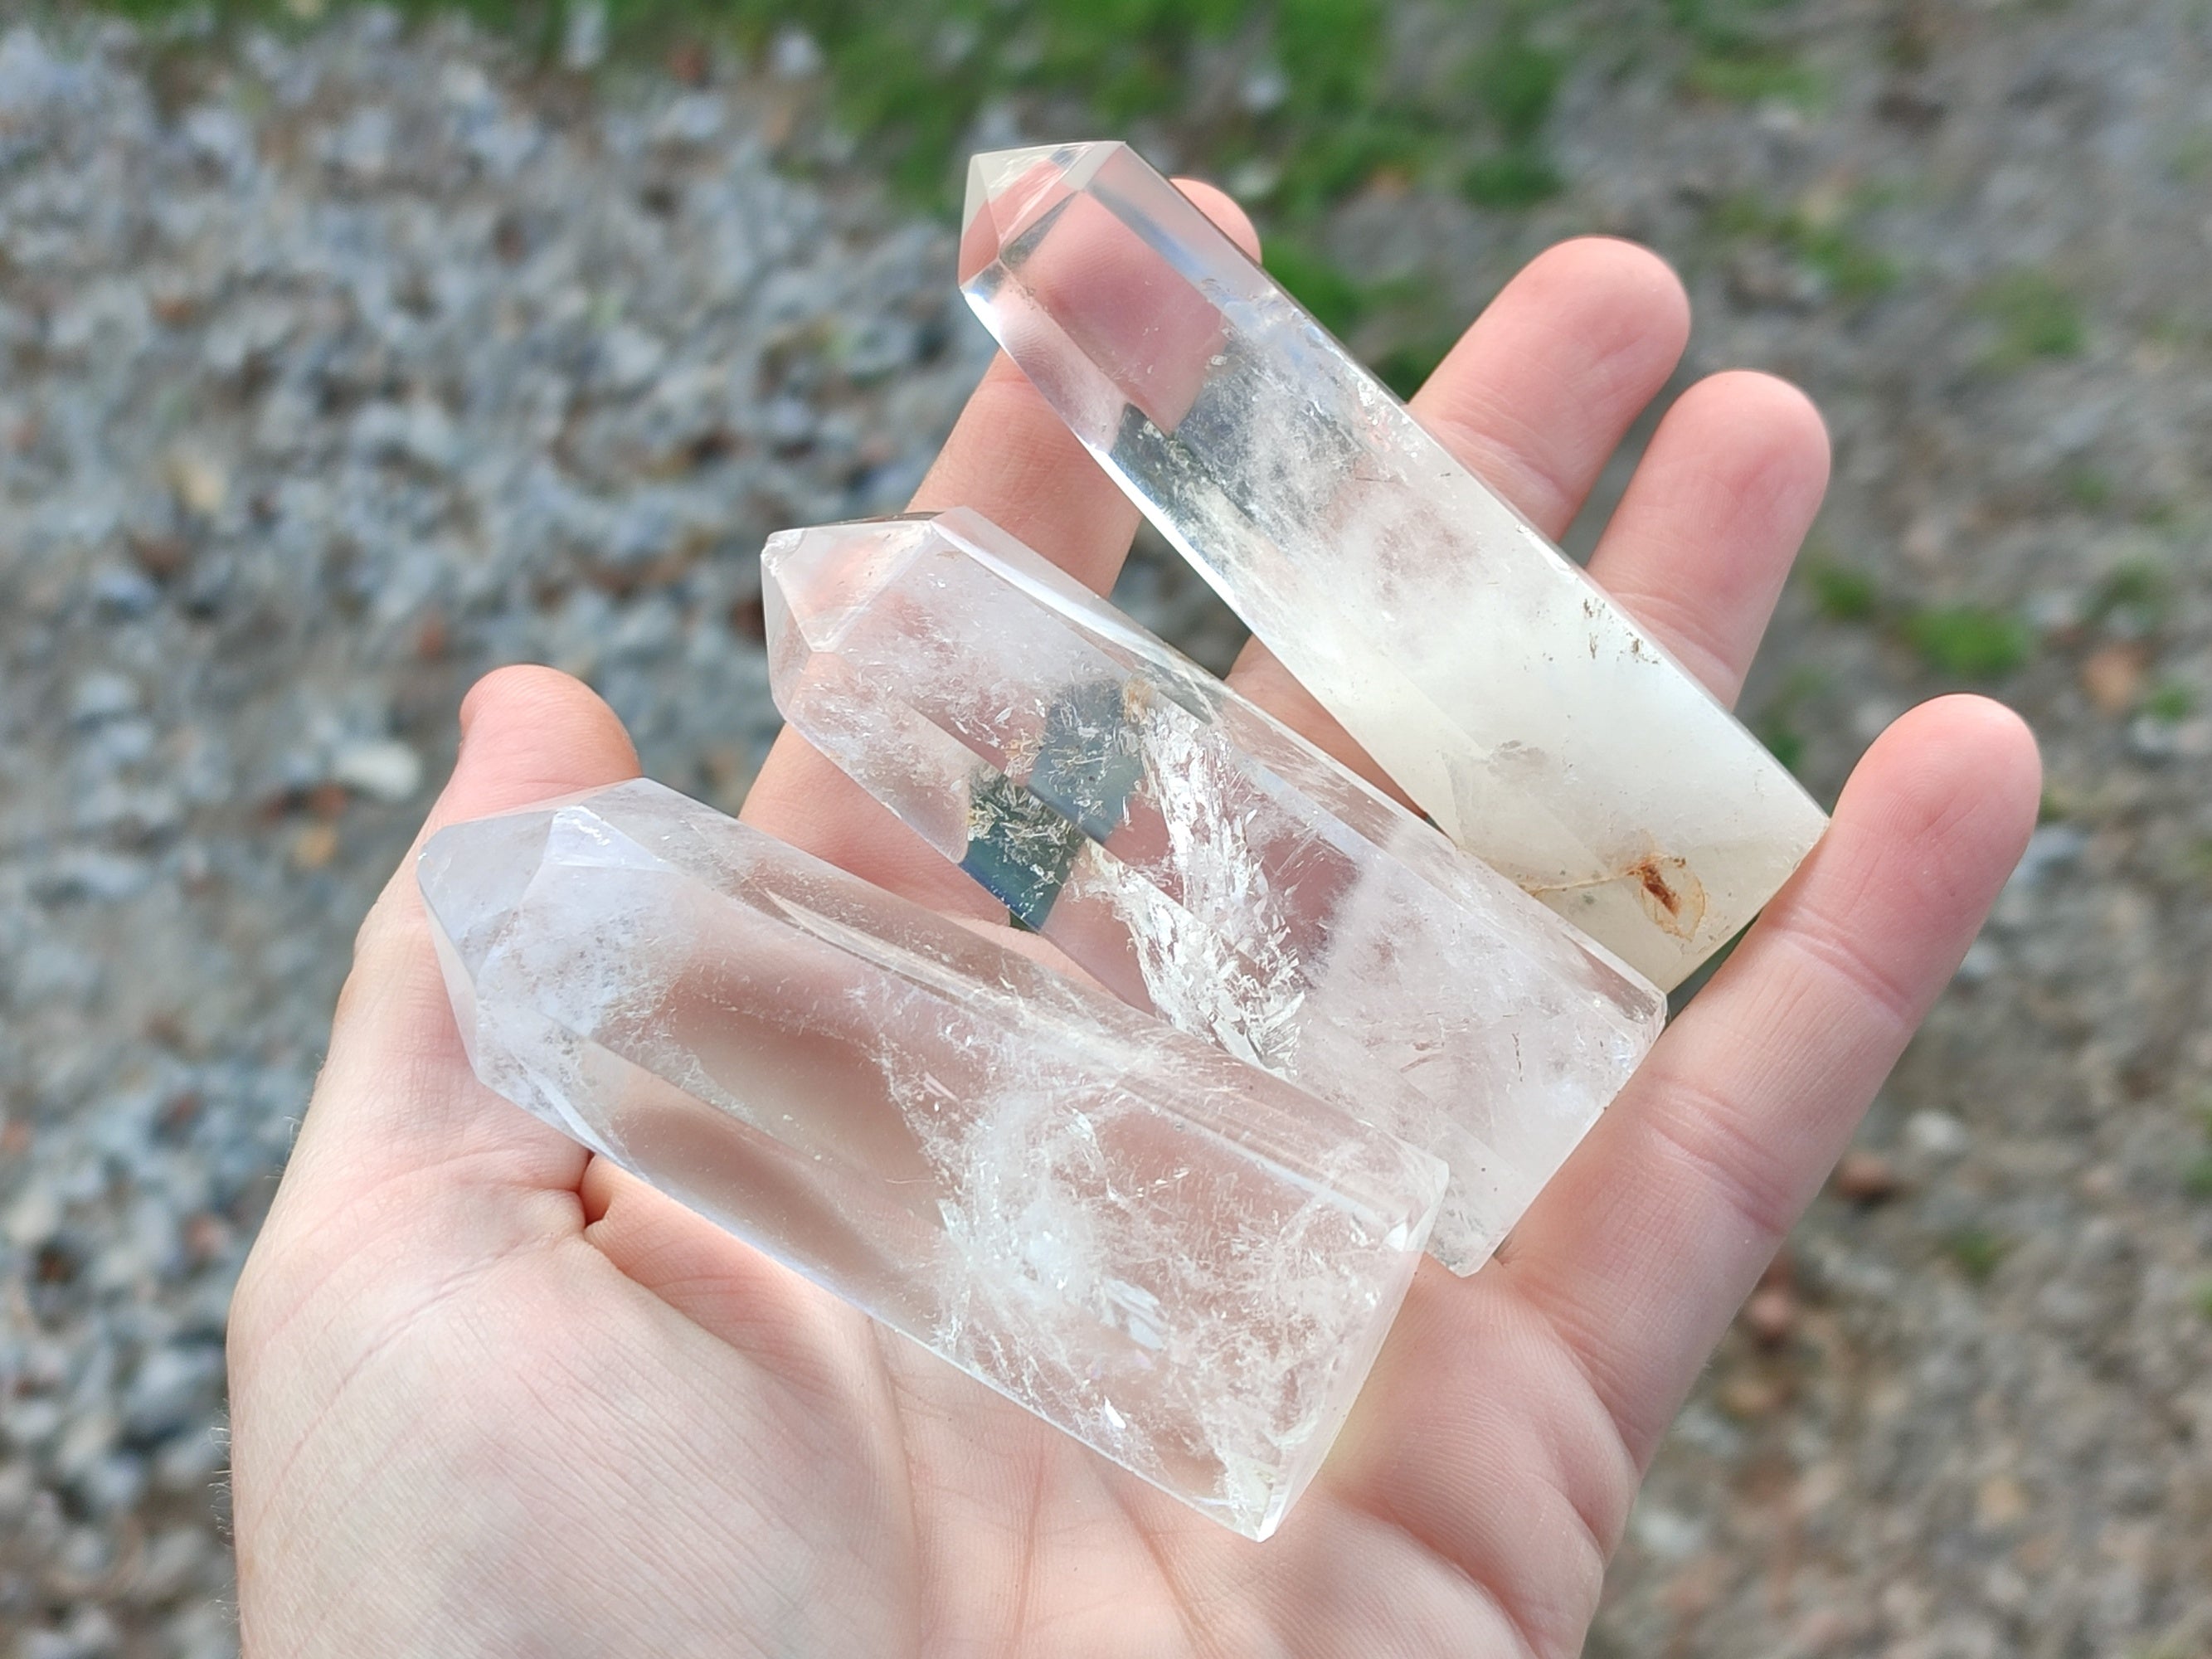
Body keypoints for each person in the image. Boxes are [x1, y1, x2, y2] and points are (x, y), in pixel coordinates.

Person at [223, 193, 2039, 1655]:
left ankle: (1593, 949)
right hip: (1241, 1346)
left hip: (1348, 1208)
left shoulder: (856, 676)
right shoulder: (678, 861)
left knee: (1180, 855)